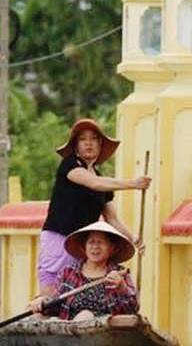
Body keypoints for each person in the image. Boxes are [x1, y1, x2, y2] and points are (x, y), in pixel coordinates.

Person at [37, 118, 150, 296]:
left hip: (81, 244)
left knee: (74, 292)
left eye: (93, 139)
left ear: (100, 145)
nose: (88, 143)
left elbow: (112, 219)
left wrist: (133, 239)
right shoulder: (70, 165)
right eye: (83, 139)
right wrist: (133, 184)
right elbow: (94, 183)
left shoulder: (101, 178)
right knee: (52, 293)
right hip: (59, 237)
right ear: (76, 146)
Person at [28, 221, 139, 321]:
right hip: (68, 329)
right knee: (35, 316)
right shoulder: (68, 272)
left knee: (85, 315)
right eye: (91, 242)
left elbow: (133, 310)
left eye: (101, 242)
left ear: (112, 248)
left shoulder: (119, 274)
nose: (95, 247)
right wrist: (42, 302)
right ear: (84, 247)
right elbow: (56, 303)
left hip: (104, 331)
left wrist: (122, 289)